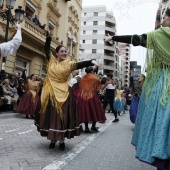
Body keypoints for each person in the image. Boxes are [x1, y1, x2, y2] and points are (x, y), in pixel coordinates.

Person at [104, 9, 170, 170]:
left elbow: (137, 39)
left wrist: (113, 37)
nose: (162, 22)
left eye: (164, 18)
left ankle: (161, 154)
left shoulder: (163, 34)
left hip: (164, 85)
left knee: (160, 120)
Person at [35, 31, 100, 150]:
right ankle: (53, 139)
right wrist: (49, 38)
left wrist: (91, 61)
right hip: (50, 93)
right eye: (62, 51)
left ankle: (61, 140)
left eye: (65, 51)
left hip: (64, 92)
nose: (64, 53)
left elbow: (80, 64)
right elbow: (46, 49)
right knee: (52, 116)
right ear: (57, 53)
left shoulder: (69, 64)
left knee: (62, 116)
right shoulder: (51, 61)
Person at [76, 66, 106, 133]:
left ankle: (86, 128)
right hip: (92, 97)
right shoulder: (95, 78)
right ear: (92, 71)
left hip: (82, 97)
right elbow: (98, 89)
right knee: (95, 111)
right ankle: (93, 126)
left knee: (86, 111)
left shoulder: (82, 78)